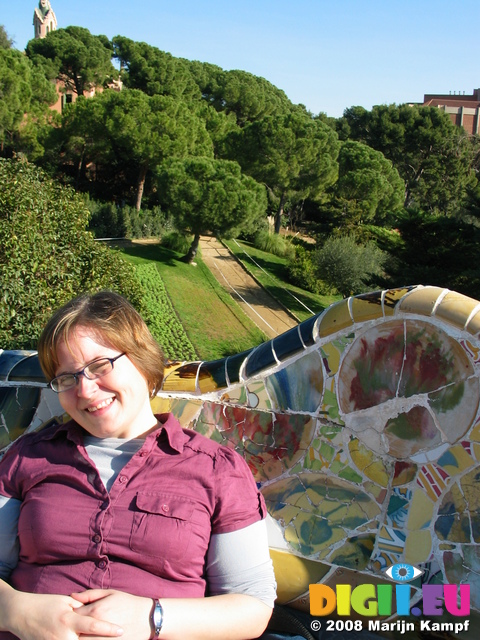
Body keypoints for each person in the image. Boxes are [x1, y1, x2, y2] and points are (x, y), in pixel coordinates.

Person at [0, 291, 278, 640]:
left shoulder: (217, 470)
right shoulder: (29, 457)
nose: (84, 390)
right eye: (67, 378)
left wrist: (152, 617)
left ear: (143, 362)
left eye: (100, 366)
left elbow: (252, 603)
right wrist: (16, 611)